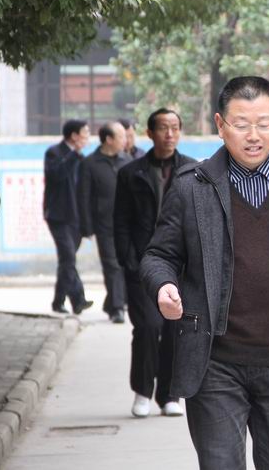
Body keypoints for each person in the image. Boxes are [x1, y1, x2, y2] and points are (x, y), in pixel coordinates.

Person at [140, 76, 269, 469]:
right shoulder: (191, 187)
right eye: (241, 124)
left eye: (264, 124)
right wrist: (163, 285)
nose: (254, 135)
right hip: (214, 362)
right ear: (220, 125)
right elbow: (158, 255)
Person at [114, 108, 195, 418]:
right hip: (142, 264)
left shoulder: (192, 170)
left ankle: (170, 395)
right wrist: (128, 259)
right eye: (163, 128)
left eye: (175, 127)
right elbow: (120, 221)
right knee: (147, 328)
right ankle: (142, 390)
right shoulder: (131, 173)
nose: (169, 134)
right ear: (150, 133)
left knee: (175, 329)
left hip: (180, 266)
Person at [77, 121, 131, 323]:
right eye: (121, 136)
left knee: (125, 264)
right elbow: (83, 196)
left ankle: (112, 302)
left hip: (128, 223)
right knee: (112, 264)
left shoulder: (127, 160)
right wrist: (86, 226)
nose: (125, 140)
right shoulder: (90, 164)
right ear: (108, 139)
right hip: (104, 224)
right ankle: (117, 308)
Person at [43, 119, 94, 315]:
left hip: (76, 217)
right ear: (74, 136)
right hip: (58, 216)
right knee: (68, 257)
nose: (87, 137)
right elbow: (56, 175)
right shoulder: (54, 153)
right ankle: (74, 300)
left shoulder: (81, 158)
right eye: (85, 133)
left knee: (67, 260)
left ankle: (64, 301)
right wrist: (73, 154)